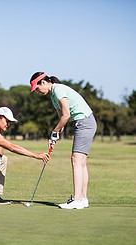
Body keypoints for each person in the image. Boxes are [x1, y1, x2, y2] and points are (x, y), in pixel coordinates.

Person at [30, 72, 97, 209]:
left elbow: (66, 115)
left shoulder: (58, 89)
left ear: (43, 83)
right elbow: (62, 118)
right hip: (83, 122)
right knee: (81, 162)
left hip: (84, 122)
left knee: (76, 160)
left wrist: (54, 131)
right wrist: (54, 137)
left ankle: (77, 199)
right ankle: (83, 199)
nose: (37, 92)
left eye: (37, 89)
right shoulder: (53, 96)